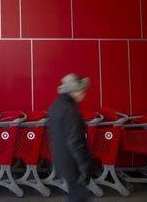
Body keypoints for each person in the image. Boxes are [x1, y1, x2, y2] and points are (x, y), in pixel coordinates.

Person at [47, 73, 92, 202]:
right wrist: (84, 166)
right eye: (82, 90)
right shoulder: (70, 110)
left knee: (75, 193)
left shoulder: (56, 106)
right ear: (73, 91)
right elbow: (75, 142)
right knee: (78, 195)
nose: (84, 93)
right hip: (71, 161)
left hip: (61, 159)